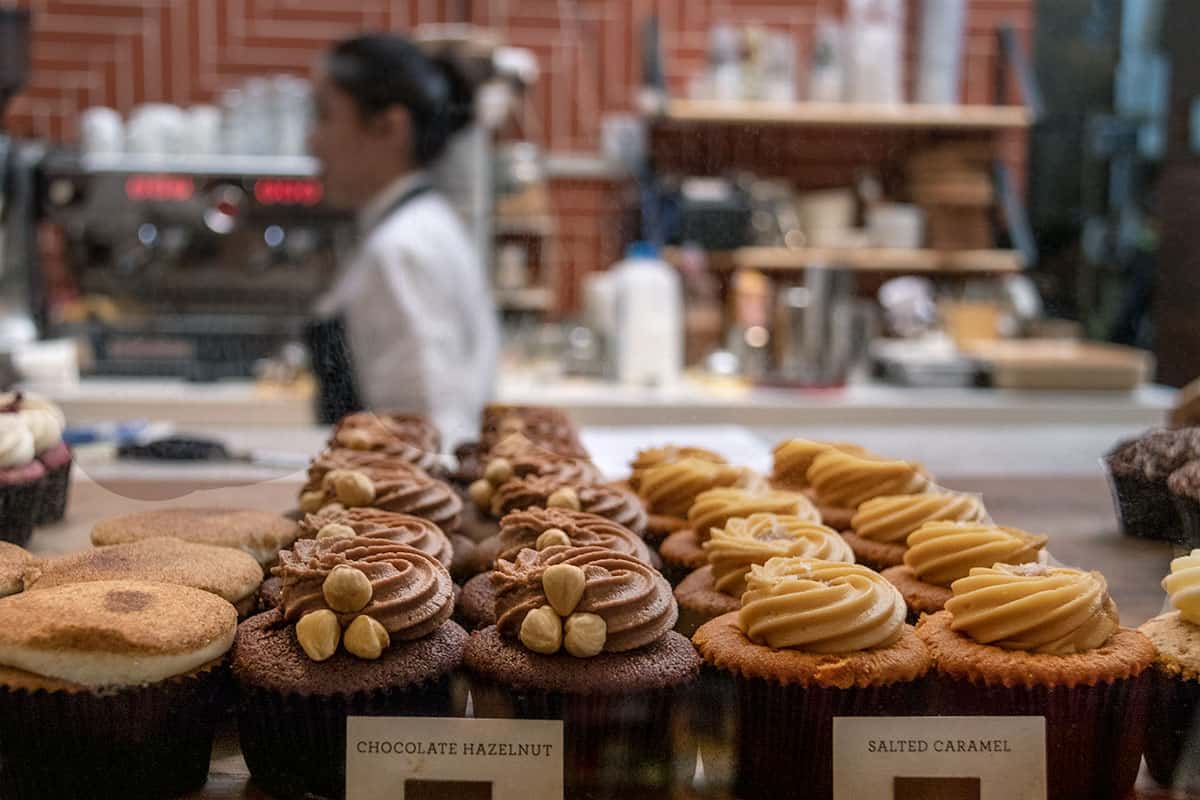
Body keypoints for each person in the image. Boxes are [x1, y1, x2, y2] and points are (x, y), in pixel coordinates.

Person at [307, 33, 498, 447]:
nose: (312, 140)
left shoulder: (402, 247)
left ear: (390, 127)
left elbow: (428, 430)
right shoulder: (421, 225)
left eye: (324, 116)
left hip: (399, 502)